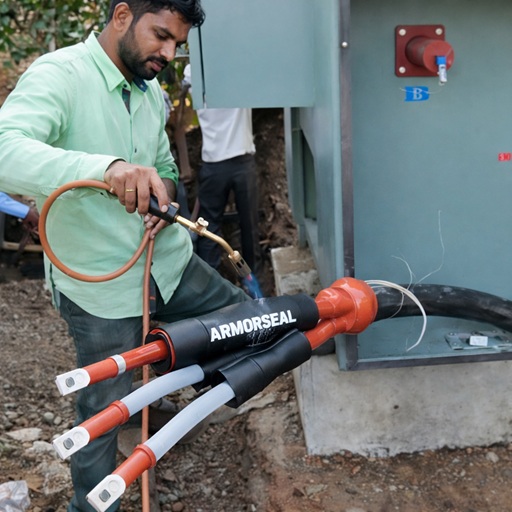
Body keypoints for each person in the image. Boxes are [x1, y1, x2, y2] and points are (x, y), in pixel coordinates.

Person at [0, 1, 250, 511]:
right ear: (121, 17)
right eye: (160, 35)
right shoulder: (61, 75)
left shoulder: (149, 89)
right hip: (101, 288)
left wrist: (165, 193)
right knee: (103, 411)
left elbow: (164, 166)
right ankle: (92, 505)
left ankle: (171, 394)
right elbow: (5, 150)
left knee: (252, 323)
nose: (168, 53)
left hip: (171, 264)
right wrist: (107, 168)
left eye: (177, 44)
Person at [183, 64, 263, 297]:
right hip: (241, 161)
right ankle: (254, 286)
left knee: (208, 228)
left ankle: (210, 287)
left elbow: (187, 82)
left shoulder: (193, 70)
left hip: (214, 164)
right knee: (249, 227)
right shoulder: (238, 66)